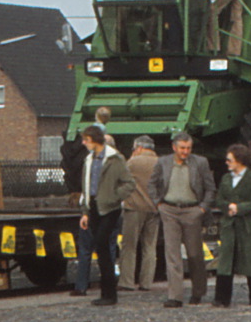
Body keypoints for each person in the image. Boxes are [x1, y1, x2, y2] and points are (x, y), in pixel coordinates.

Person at [149, 130, 216, 308]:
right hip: (169, 210)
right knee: (172, 254)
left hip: (192, 211)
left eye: (188, 148)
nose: (185, 151)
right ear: (174, 147)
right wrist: (158, 204)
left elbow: (210, 188)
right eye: (182, 148)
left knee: (194, 254)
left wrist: (202, 208)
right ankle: (175, 296)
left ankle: (198, 291)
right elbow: (152, 184)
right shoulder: (163, 162)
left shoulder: (200, 163)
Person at [78, 125, 134, 306]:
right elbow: (86, 187)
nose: (84, 143)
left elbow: (129, 183)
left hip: (109, 208)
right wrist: (85, 211)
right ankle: (107, 293)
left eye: (86, 140)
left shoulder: (114, 159)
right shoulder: (89, 160)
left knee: (102, 242)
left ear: (95, 140)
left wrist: (114, 197)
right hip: (94, 206)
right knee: (100, 248)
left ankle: (110, 293)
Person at [212, 144, 251, 306]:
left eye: (230, 160)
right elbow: (219, 199)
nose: (227, 163)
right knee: (225, 260)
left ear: (240, 160)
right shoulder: (226, 178)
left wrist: (239, 208)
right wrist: (227, 207)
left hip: (247, 226)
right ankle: (222, 298)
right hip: (229, 225)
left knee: (250, 260)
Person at [117, 136, 161, 292]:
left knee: (129, 246)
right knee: (150, 246)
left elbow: (119, 178)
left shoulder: (133, 162)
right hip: (154, 209)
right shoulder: (161, 163)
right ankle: (146, 282)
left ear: (139, 148)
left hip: (134, 208)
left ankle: (127, 282)